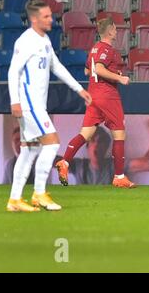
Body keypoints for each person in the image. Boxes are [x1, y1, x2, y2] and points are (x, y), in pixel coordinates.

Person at [7, 0, 92, 212]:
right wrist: (14, 101)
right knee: (52, 143)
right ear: (35, 19)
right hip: (29, 105)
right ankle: (39, 194)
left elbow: (56, 66)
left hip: (37, 105)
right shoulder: (25, 41)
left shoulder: (44, 40)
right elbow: (12, 71)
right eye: (46, 16)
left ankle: (15, 200)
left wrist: (79, 89)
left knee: (29, 150)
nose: (51, 19)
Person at [56, 17, 134, 189]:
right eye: (114, 28)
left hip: (93, 95)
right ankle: (119, 177)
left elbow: (87, 70)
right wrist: (119, 77)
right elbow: (98, 68)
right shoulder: (106, 49)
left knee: (85, 134)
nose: (116, 31)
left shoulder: (94, 49)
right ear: (109, 31)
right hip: (107, 95)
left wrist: (111, 71)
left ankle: (65, 162)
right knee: (119, 135)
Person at [57, 120, 149, 185]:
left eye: (100, 141)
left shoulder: (115, 165)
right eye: (93, 141)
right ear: (87, 146)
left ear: (106, 146)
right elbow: (51, 161)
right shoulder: (78, 166)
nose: (96, 145)